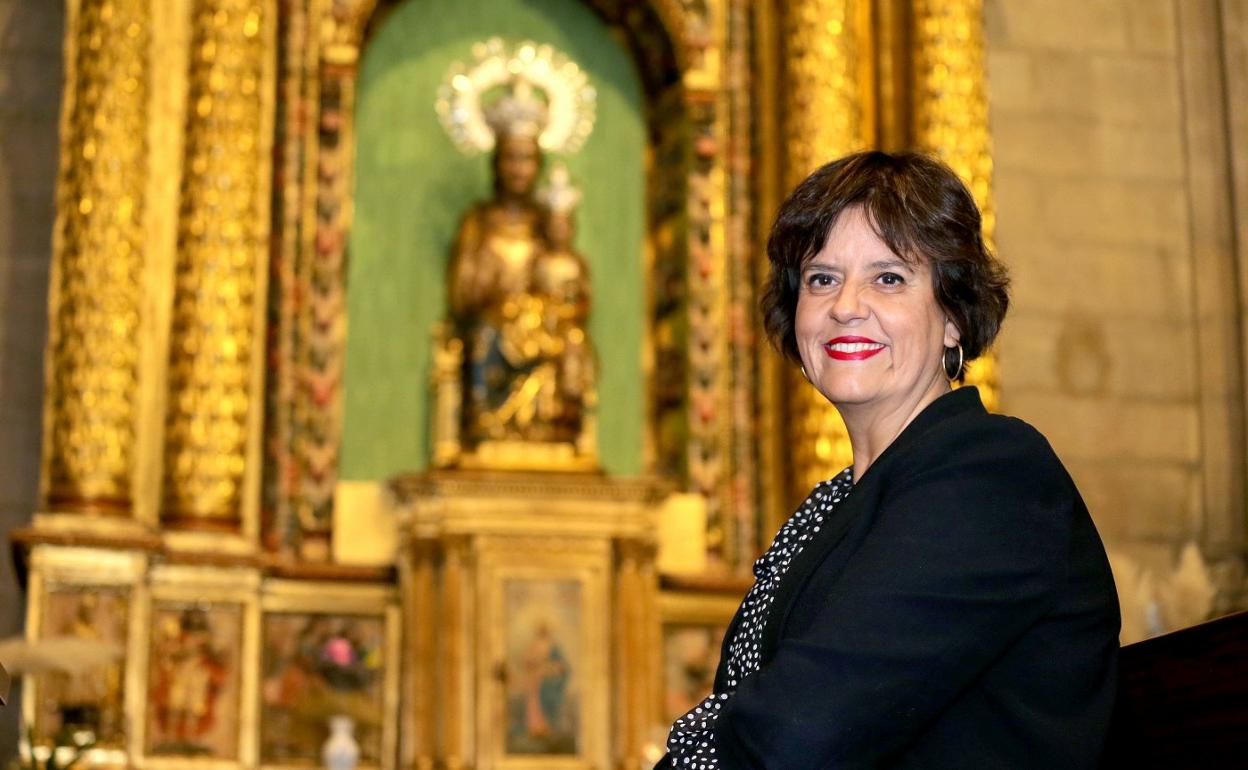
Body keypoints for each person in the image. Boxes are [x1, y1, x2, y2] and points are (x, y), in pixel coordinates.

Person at [657, 151, 1120, 768]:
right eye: (822, 278)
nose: (846, 304)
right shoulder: (827, 509)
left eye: (889, 277)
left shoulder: (993, 473)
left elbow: (798, 731)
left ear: (953, 317)